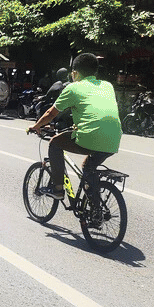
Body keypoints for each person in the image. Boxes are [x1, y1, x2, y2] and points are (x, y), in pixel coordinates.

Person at [28, 53, 122, 201]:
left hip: (90, 136)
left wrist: (36, 126)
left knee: (55, 143)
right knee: (88, 168)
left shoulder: (73, 88)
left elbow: (50, 113)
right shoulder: (107, 86)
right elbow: (95, 109)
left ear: (75, 73)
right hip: (114, 139)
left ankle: (57, 189)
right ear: (95, 72)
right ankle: (93, 204)